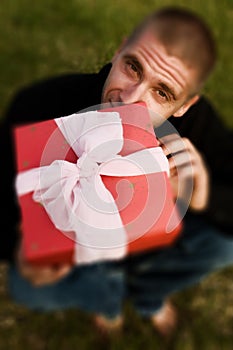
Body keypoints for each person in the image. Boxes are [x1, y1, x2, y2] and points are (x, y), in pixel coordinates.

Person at [1, 6, 233, 336]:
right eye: (133, 67)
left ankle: (148, 295)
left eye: (162, 92)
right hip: (76, 249)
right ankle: (106, 301)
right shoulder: (39, 106)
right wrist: (23, 255)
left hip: (149, 243)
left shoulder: (195, 126)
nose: (130, 100)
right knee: (26, 289)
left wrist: (206, 198)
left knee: (225, 245)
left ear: (184, 106)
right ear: (119, 51)